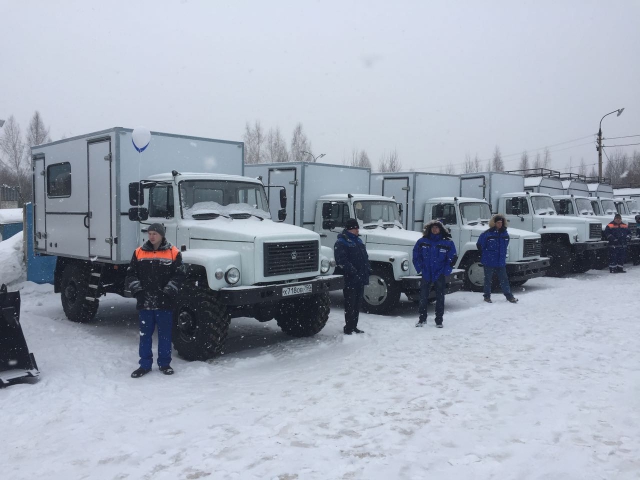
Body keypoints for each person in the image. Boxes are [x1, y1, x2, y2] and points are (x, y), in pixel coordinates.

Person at [125, 223, 186, 378]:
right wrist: (138, 291)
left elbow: (179, 275)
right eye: (150, 233)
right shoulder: (139, 252)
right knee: (145, 334)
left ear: (162, 235)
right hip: (145, 302)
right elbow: (131, 274)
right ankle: (144, 365)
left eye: (155, 234)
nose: (151, 236)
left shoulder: (173, 252)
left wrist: (168, 291)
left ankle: (164, 364)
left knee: (165, 334)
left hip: (164, 302)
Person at [412, 220, 457, 328]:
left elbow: (452, 258)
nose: (434, 229)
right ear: (429, 229)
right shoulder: (422, 241)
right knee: (423, 297)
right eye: (433, 228)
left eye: (437, 227)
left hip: (439, 274)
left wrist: (446, 270)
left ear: (440, 229)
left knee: (440, 298)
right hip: (426, 273)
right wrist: (420, 268)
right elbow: (416, 255)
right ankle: (422, 319)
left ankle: (439, 321)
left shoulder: (447, 243)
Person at [334, 218, 370, 335]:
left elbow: (364, 257)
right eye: (355, 228)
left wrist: (366, 269)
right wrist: (353, 271)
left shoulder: (358, 241)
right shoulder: (342, 242)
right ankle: (349, 327)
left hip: (360, 277)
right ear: (350, 229)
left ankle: (354, 326)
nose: (357, 230)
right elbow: (341, 260)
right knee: (350, 303)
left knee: (357, 304)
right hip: (351, 278)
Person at [476, 214, 518, 304]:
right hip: (489, 261)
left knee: (504, 279)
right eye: (498, 222)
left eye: (501, 223)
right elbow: (480, 245)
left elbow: (505, 245)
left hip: (500, 261)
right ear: (494, 223)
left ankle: (509, 296)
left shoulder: (505, 234)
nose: (500, 224)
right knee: (488, 279)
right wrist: (486, 255)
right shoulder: (487, 234)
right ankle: (487, 296)